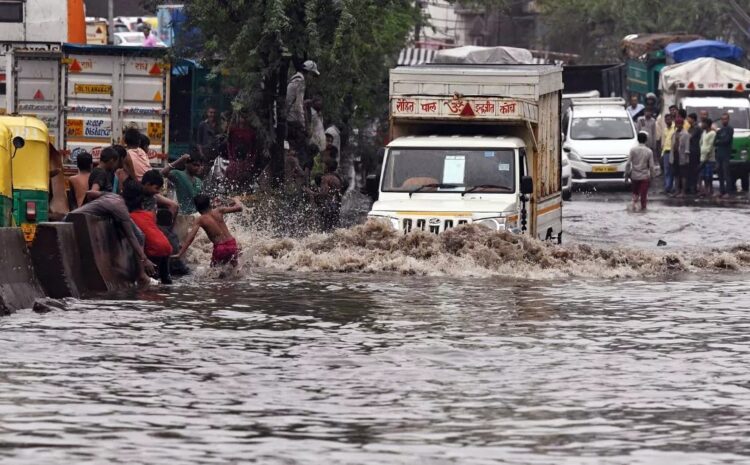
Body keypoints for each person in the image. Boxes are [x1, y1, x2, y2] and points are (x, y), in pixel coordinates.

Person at [66, 186, 155, 286]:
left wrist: (92, 209)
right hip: (75, 222)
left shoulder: (113, 196)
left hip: (69, 216)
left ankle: (141, 275)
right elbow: (131, 237)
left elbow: (89, 193)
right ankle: (141, 275)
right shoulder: (121, 209)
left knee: (139, 235)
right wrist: (145, 259)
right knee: (137, 236)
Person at [122, 180, 173, 284]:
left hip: (154, 250)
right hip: (166, 246)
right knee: (166, 280)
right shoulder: (148, 214)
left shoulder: (129, 218)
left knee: (150, 281)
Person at [174, 195, 243, 267]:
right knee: (234, 268)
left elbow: (190, 238)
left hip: (220, 248)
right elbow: (239, 208)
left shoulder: (200, 219)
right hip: (232, 244)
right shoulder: (219, 210)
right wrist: (236, 200)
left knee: (214, 271)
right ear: (209, 204)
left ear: (197, 208)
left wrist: (180, 253)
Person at [286, 60, 320, 172]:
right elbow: (298, 106)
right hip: (293, 122)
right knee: (302, 152)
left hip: (288, 120)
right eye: (313, 75)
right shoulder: (300, 82)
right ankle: (299, 177)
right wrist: (303, 126)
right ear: (308, 73)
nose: (312, 78)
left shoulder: (294, 79)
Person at [162, 149, 203, 214]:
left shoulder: (199, 181)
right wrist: (180, 160)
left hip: (196, 215)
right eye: (195, 165)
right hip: (182, 215)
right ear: (186, 164)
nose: (198, 168)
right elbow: (163, 172)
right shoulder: (178, 174)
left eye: (199, 166)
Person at [625, 131, 656, 211]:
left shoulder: (633, 150)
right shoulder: (649, 151)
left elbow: (628, 164)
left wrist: (626, 176)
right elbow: (652, 166)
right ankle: (643, 210)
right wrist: (653, 176)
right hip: (644, 176)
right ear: (646, 140)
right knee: (643, 196)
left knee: (635, 194)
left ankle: (633, 209)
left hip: (634, 176)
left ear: (638, 140)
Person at [715, 113, 734, 198]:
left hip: (726, 154)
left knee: (726, 174)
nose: (723, 120)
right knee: (720, 174)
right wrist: (719, 141)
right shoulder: (721, 130)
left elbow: (726, 140)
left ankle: (728, 192)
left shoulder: (730, 129)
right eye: (722, 119)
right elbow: (715, 141)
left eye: (725, 119)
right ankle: (721, 191)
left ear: (728, 119)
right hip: (719, 154)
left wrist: (719, 141)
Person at [672, 111, 691, 197]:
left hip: (683, 156)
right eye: (676, 124)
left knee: (683, 175)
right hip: (675, 155)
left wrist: (687, 159)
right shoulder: (674, 133)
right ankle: (676, 190)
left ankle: (683, 192)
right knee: (676, 174)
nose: (677, 125)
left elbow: (687, 148)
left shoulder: (686, 134)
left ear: (682, 124)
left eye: (679, 124)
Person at [700, 118, 716, 197]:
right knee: (703, 175)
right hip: (702, 157)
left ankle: (710, 189)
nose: (701, 125)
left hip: (709, 158)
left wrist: (706, 156)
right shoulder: (704, 132)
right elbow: (701, 143)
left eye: (703, 123)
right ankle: (706, 189)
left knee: (708, 175)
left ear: (707, 124)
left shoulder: (712, 133)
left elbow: (710, 146)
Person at [687, 113, 703, 195]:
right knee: (690, 170)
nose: (687, 120)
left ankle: (695, 187)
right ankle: (691, 187)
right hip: (690, 151)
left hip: (695, 151)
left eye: (689, 118)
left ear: (693, 119)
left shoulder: (696, 128)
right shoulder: (690, 128)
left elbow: (690, 137)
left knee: (694, 170)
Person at [660, 113, 675, 193]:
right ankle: (667, 187)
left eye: (669, 119)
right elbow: (665, 142)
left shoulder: (674, 128)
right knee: (666, 171)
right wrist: (662, 153)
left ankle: (670, 187)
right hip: (665, 151)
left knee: (672, 171)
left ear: (672, 120)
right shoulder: (665, 129)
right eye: (666, 119)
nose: (667, 121)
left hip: (672, 151)